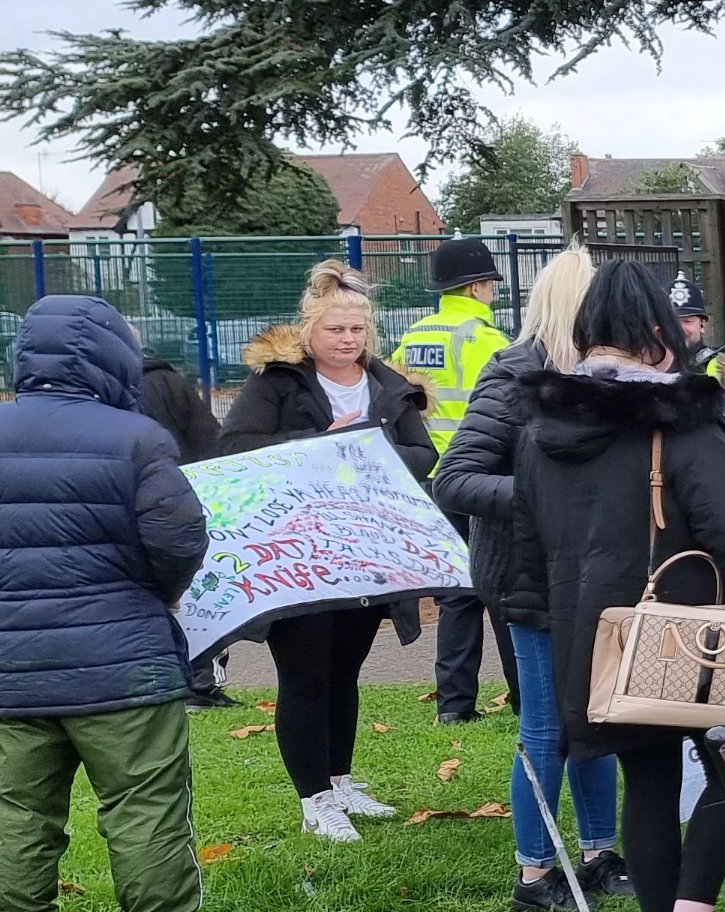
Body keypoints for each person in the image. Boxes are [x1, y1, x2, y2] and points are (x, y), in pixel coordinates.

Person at [516, 261, 725, 912]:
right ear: (661, 333)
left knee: (648, 778)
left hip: (596, 630)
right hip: (694, 631)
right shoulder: (680, 419)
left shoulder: (541, 427)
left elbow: (531, 535)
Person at [0, 295, 215, 912]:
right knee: (144, 804)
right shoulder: (137, 438)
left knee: (15, 811)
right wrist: (159, 591)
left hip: (11, 665)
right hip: (124, 664)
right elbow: (179, 536)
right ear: (111, 356)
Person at [434, 244, 629, 912]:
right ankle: (535, 874)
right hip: (529, 578)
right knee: (547, 727)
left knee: (597, 719)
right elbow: (454, 478)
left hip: (592, 577)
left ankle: (600, 855)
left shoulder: (605, 377)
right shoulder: (513, 374)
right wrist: (548, 498)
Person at [220, 262, 438, 842]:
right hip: (298, 553)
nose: (348, 340)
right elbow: (236, 448)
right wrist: (319, 446)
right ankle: (313, 799)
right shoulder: (276, 383)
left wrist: (370, 452)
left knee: (345, 669)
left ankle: (339, 782)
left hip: (366, 551)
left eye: (357, 330)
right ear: (309, 330)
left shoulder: (389, 385)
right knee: (305, 674)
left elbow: (423, 454)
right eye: (335, 330)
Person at [392, 235, 520, 723]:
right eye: (490, 284)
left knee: (456, 594)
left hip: (432, 478)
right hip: (482, 477)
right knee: (505, 588)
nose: (493, 292)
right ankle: (524, 696)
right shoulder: (487, 339)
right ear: (474, 287)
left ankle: (454, 705)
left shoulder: (414, 336)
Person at [133, 346, 228, 706]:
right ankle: (202, 679)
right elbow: (210, 439)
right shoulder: (170, 381)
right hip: (186, 498)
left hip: (126, 506)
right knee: (199, 590)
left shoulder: (95, 394)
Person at [667, 273, 717, 373]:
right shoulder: (648, 368)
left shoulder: (722, 367)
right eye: (672, 321)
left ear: (702, 325)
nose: (679, 329)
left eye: (687, 321)